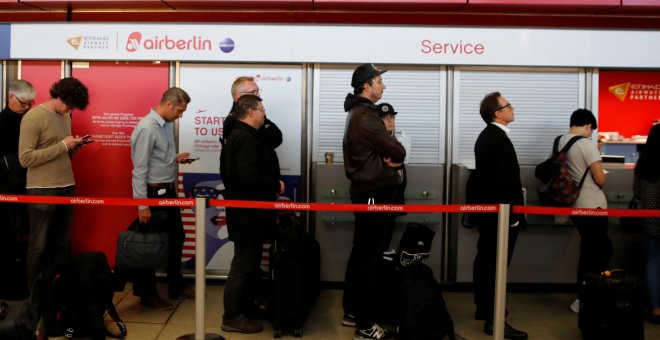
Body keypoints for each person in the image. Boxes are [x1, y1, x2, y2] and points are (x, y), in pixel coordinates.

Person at [342, 64, 405, 340]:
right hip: (373, 193)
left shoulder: (359, 113)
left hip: (369, 190)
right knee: (369, 258)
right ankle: (365, 326)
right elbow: (397, 149)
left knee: (363, 254)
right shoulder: (365, 116)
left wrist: (391, 158)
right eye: (379, 81)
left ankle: (356, 312)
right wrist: (394, 157)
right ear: (366, 85)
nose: (384, 86)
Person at [465, 92, 528, 339]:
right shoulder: (498, 139)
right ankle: (494, 320)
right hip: (500, 216)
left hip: (491, 214)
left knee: (486, 261)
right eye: (508, 105)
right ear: (497, 113)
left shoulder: (488, 136)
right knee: (496, 265)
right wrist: (510, 216)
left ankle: (484, 307)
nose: (513, 108)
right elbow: (502, 182)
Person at [18, 77, 89, 290]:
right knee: (38, 246)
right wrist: (62, 146)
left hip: (67, 185)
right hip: (42, 189)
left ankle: (59, 293)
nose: (70, 109)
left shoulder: (66, 115)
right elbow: (25, 159)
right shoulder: (33, 118)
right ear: (59, 96)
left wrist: (73, 147)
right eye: (69, 104)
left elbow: (62, 153)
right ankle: (34, 298)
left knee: (62, 244)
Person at [221, 94, 284, 334]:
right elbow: (247, 177)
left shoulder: (243, 135)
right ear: (250, 112)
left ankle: (245, 307)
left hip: (250, 213)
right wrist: (274, 183)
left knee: (250, 264)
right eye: (261, 110)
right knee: (243, 265)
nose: (264, 114)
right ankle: (232, 316)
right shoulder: (243, 138)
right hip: (247, 214)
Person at [130, 87, 195, 310]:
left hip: (168, 192)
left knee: (177, 238)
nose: (181, 115)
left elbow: (160, 157)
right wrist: (142, 204)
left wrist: (176, 159)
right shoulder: (146, 128)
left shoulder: (165, 125)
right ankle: (147, 295)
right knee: (150, 246)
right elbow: (139, 169)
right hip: (152, 194)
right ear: (169, 104)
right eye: (180, 110)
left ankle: (175, 285)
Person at [560, 109, 611, 314]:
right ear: (588, 126)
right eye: (591, 130)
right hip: (592, 205)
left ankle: (583, 297)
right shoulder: (586, 144)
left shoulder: (560, 141)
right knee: (600, 252)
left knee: (589, 251)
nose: (591, 134)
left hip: (573, 205)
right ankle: (586, 298)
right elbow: (600, 179)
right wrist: (595, 157)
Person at [0, 79, 35, 299]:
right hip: (5, 189)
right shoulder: (3, 122)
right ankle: (6, 286)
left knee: (19, 236)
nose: (26, 108)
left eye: (31, 104)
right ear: (11, 97)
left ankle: (17, 283)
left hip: (23, 187)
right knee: (5, 238)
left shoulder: (28, 120)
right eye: (23, 103)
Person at [632, 123, 660, 324]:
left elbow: (637, 193)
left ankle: (655, 308)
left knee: (653, 262)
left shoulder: (643, 164)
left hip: (651, 220)